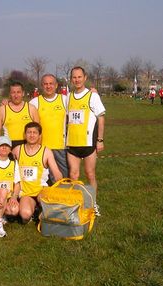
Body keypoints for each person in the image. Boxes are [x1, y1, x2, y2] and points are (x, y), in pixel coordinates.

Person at [66, 66, 105, 214]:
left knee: (90, 174)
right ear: (71, 79)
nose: (77, 80)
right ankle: (76, 204)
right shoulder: (68, 97)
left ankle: (92, 203)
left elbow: (101, 118)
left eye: (79, 77)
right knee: (74, 175)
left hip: (89, 144)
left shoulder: (92, 96)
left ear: (85, 77)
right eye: (74, 77)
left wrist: (100, 140)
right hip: (72, 144)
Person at [12, 122, 63, 224]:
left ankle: (40, 209)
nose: (31, 135)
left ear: (39, 136)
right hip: (26, 193)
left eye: (35, 133)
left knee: (51, 206)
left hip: (41, 190)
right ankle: (35, 211)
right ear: (25, 135)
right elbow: (5, 165)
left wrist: (61, 187)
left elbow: (57, 173)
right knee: (25, 215)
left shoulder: (46, 151)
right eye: (29, 132)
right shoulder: (17, 150)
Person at [29, 74, 69, 182]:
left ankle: (62, 198)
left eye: (51, 83)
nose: (48, 86)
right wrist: (7, 103)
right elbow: (21, 110)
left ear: (56, 85)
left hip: (61, 147)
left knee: (62, 178)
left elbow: (80, 104)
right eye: (45, 84)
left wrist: (92, 94)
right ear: (42, 86)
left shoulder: (65, 100)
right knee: (43, 180)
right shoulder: (34, 102)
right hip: (41, 148)